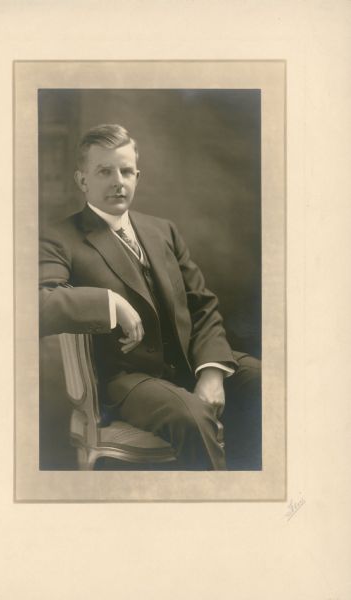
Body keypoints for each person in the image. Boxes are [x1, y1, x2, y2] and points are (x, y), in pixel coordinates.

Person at [39, 123, 261, 470]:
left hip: (189, 362)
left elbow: (202, 305)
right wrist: (111, 304)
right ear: (82, 180)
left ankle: (259, 497)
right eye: (104, 171)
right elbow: (37, 303)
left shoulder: (163, 230)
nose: (118, 181)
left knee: (264, 382)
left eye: (126, 171)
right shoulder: (60, 237)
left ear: (137, 176)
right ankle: (218, 515)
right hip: (127, 379)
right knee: (193, 417)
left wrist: (212, 371)